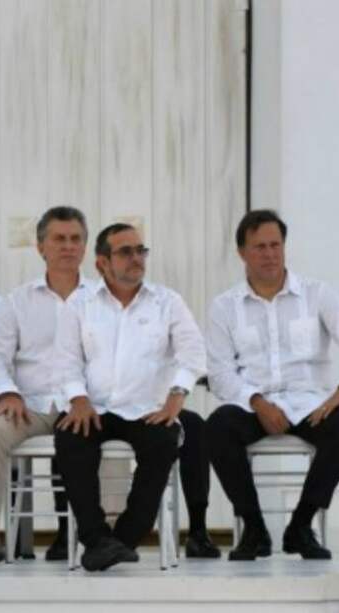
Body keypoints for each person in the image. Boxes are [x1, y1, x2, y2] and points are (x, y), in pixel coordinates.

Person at [206, 209, 339, 560]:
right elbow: (220, 372)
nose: (269, 254)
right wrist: (256, 402)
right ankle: (254, 530)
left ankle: (300, 526)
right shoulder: (224, 307)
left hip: (309, 403)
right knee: (217, 427)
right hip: (253, 405)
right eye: (259, 247)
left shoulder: (317, 295)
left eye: (275, 245)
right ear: (242, 252)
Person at [54, 223, 208, 571]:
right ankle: (96, 538)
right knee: (70, 437)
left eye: (141, 250)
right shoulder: (80, 303)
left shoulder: (167, 302)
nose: (136, 258)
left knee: (164, 441)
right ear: (102, 263)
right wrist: (77, 398)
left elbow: (194, 353)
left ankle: (123, 539)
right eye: (126, 252)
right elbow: (64, 360)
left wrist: (176, 396)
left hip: (146, 410)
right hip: (94, 408)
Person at [0, 207, 90, 564]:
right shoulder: (17, 301)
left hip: (86, 404)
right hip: (29, 405)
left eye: (75, 239)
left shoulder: (103, 300)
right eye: (59, 239)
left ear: (86, 246)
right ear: (40, 247)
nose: (68, 246)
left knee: (105, 430)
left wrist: (85, 398)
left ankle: (106, 537)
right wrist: (7, 392)